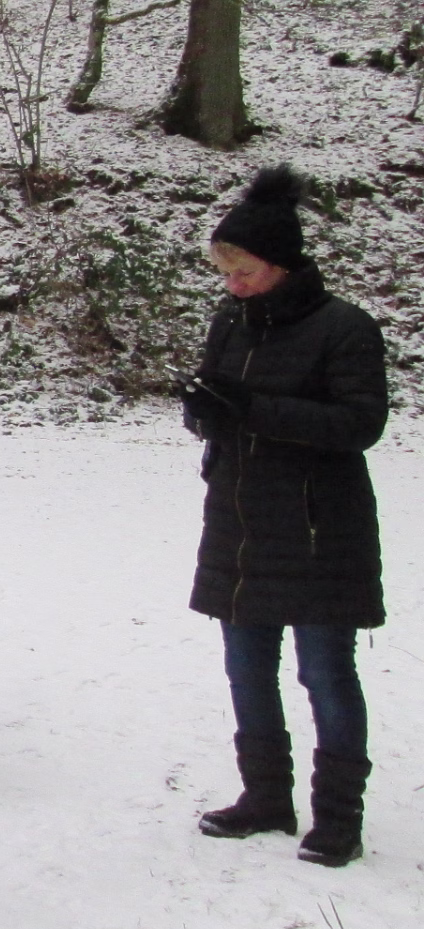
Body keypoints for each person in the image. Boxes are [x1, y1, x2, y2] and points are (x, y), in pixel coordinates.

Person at [181, 164, 385, 869]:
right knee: (247, 671)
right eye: (225, 273)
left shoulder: (345, 328)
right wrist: (204, 412)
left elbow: (359, 424)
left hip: (319, 530)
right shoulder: (230, 321)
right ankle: (265, 796)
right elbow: (221, 404)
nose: (232, 286)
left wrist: (252, 410)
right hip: (239, 523)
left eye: (243, 272)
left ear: (281, 264)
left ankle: (338, 818)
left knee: (325, 674)